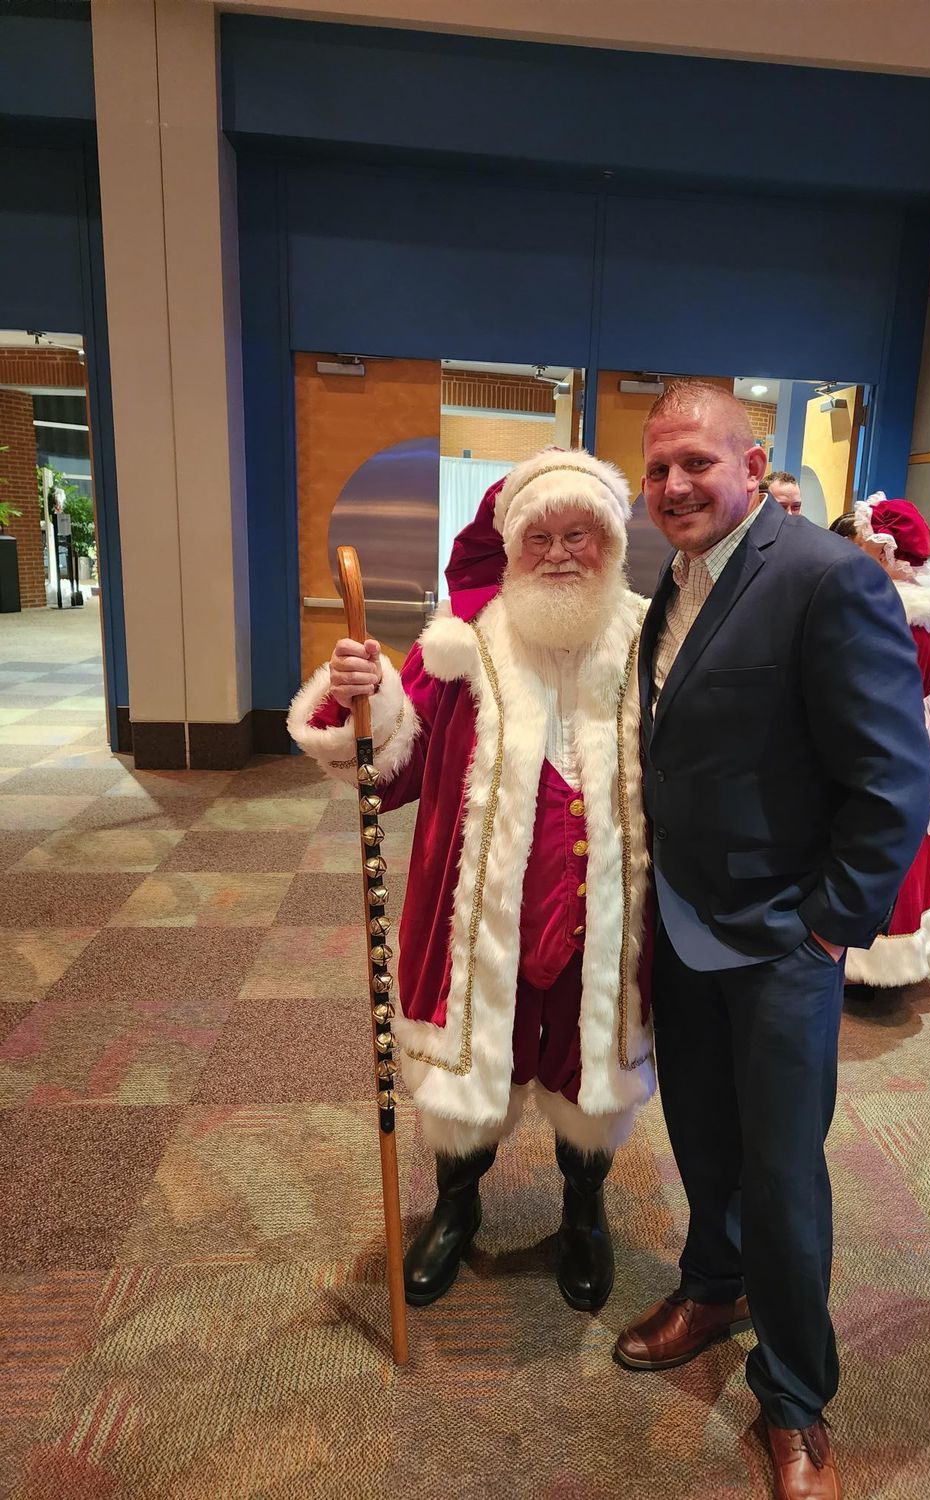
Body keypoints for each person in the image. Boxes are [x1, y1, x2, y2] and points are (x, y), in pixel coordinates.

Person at [613, 382, 930, 1500]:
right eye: (657, 470)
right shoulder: (681, 578)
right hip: (688, 922)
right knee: (703, 1136)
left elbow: (894, 778)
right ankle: (714, 1285)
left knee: (785, 1173)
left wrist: (826, 928)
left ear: (754, 462)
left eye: (696, 463)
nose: (674, 487)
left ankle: (797, 1396)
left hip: (783, 941)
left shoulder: (823, 574)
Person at [288, 448, 655, 1313]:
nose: (560, 553)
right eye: (540, 536)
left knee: (586, 1064)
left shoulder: (652, 641)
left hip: (608, 916)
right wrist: (363, 692)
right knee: (464, 1071)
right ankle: (456, 1209)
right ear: (510, 545)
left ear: (610, 545)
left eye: (581, 534)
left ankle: (584, 1209)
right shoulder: (457, 648)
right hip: (473, 920)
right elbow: (391, 770)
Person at [844, 496, 930, 988]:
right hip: (914, 726)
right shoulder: (925, 597)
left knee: (878, 831)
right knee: (905, 833)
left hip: (885, 731)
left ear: (886, 551)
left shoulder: (890, 607)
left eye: (865, 543)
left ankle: (877, 951)